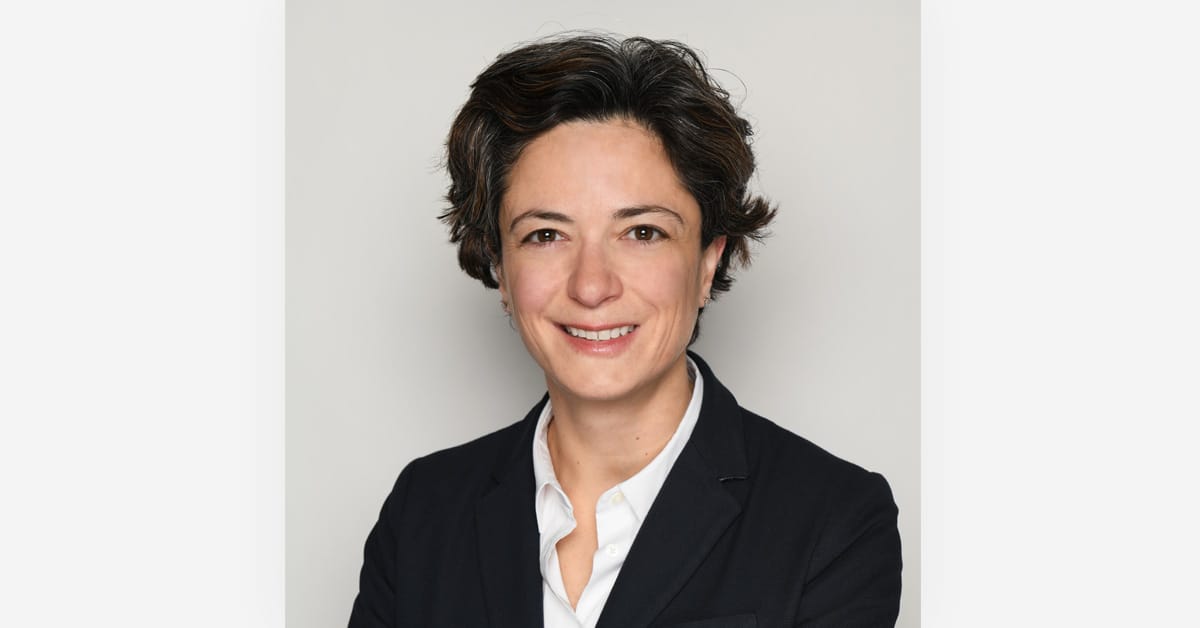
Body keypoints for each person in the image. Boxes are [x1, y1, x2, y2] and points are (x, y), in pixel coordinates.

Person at [348, 34, 902, 628]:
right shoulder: (424, 512)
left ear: (708, 260)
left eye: (642, 233)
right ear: (500, 268)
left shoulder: (832, 520)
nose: (591, 286)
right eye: (545, 235)